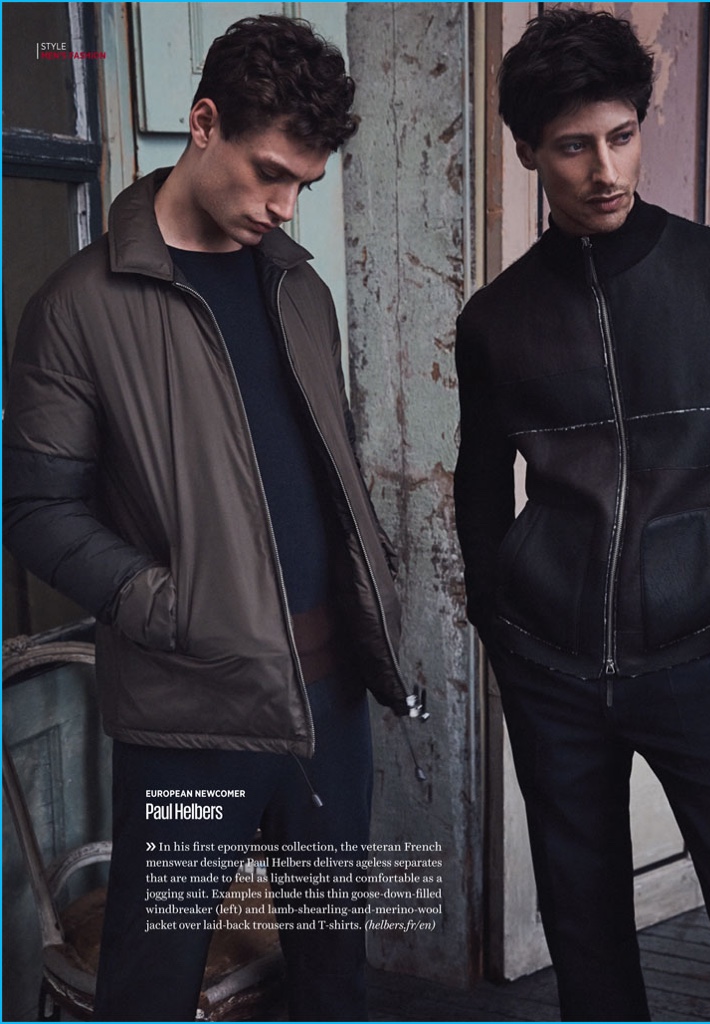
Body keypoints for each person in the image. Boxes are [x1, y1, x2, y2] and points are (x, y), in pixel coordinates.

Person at [3, 15, 420, 1022]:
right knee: (151, 985)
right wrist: (173, 608)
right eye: (270, 173)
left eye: (304, 185)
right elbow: (37, 512)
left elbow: (324, 473)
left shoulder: (300, 289)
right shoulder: (78, 306)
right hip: (192, 711)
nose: (283, 206)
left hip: (330, 706)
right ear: (202, 124)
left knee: (334, 980)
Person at [454, 9, 710, 1022]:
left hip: (709, 658)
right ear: (527, 152)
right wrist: (500, 621)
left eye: (621, 136)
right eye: (573, 147)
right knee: (584, 939)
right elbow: (478, 478)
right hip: (552, 670)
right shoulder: (494, 320)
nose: (604, 170)